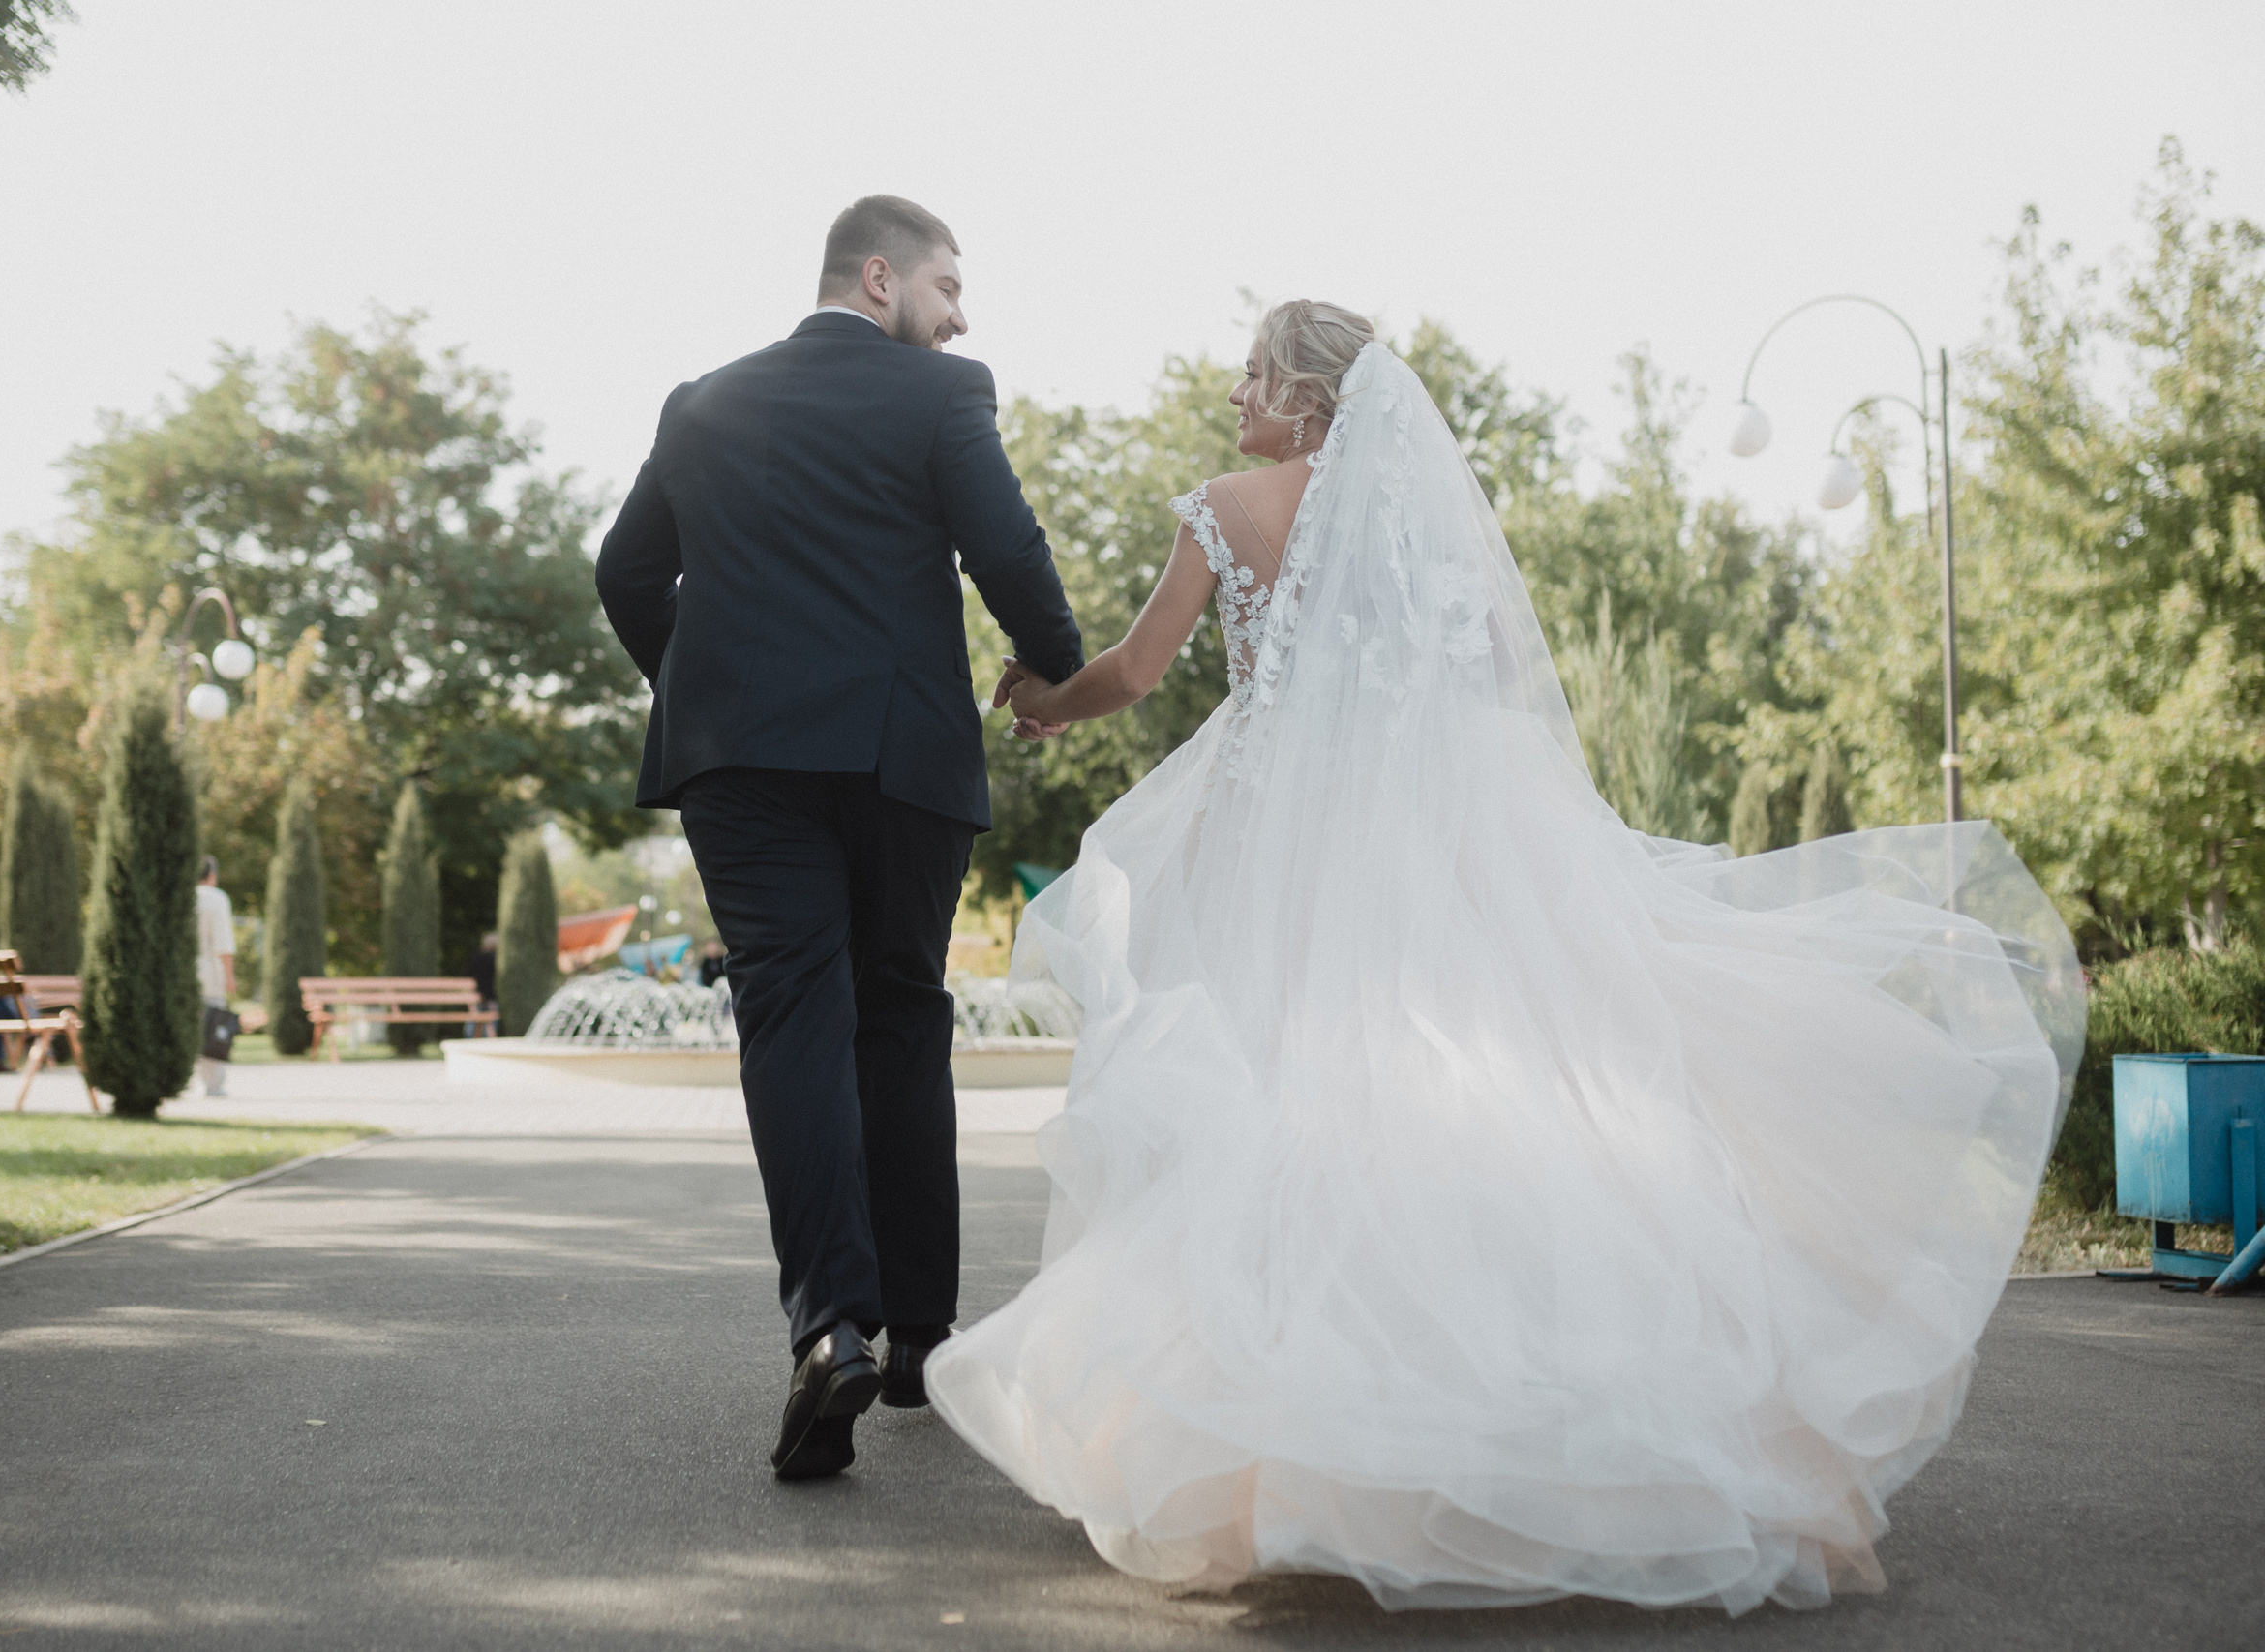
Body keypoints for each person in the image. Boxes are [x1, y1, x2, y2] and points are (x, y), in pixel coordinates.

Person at [924, 303, 2087, 1616]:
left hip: (1283, 843)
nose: (1235, 393)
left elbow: (1137, 671)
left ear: (1307, 394)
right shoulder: (1421, 522)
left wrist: (1041, 697)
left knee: (1286, 1104)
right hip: (1432, 834)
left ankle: (1289, 1453)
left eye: (1254, 372)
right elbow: (1483, 669)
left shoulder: (1223, 509)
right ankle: (1556, 1436)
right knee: (1490, 1091)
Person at [597, 195, 1084, 1481]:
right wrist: (1054, 668)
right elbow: (1007, 551)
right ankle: (921, 1335)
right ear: (880, 277)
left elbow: (624, 573)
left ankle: (830, 1329)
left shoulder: (699, 405)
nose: (961, 317)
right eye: (947, 286)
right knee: (901, 1013)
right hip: (900, 754)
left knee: (791, 1019)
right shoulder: (943, 395)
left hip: (741, 768)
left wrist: (712, 692)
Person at [195, 856, 236, 1098]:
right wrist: (230, 976)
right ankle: (212, 1084)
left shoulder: (181, 896)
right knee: (213, 1028)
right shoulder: (216, 899)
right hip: (210, 974)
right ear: (212, 875)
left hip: (184, 974)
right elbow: (223, 942)